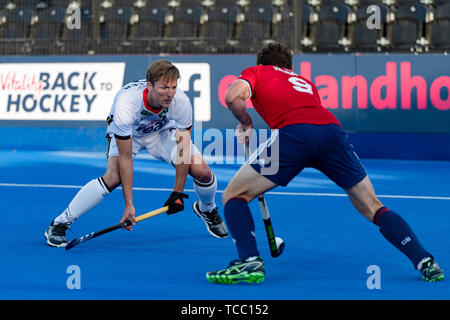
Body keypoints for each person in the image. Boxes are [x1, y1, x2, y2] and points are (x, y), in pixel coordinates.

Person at [206, 43, 444, 284]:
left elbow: (232, 97)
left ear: (262, 63)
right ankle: (424, 260)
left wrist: (245, 121)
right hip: (332, 133)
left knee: (234, 195)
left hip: (295, 135)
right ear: (290, 67)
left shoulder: (258, 71)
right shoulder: (305, 83)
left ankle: (248, 261)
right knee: (372, 205)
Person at [45, 60, 228, 247]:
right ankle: (60, 223)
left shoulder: (181, 102)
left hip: (161, 132)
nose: (170, 93)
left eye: (173, 87)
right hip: (130, 132)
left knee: (203, 171)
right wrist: (129, 205)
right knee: (113, 177)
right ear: (150, 85)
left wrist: (178, 193)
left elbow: (183, 150)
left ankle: (207, 208)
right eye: (164, 87)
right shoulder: (126, 103)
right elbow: (125, 157)